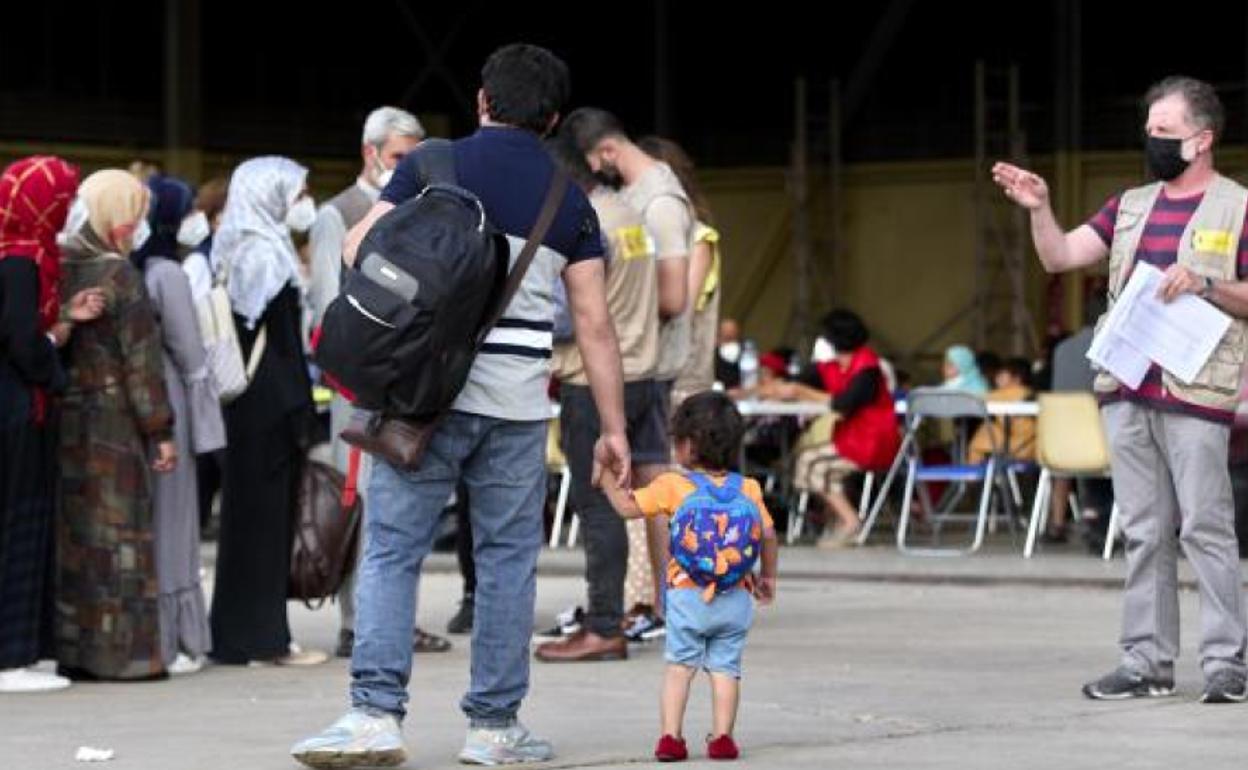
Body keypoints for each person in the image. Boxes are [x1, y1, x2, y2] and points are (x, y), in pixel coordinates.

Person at [292, 43, 630, 769]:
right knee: (507, 562)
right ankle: (494, 729)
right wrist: (612, 428)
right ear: (554, 119)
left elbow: (358, 250)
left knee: (391, 549)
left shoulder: (428, 165)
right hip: (515, 408)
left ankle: (373, 716)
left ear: (482, 100)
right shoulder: (568, 199)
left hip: (422, 398)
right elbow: (596, 326)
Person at [993, 75, 1248, 703]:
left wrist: (1207, 286)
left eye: (1165, 131)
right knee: (1143, 528)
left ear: (1202, 139)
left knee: (1206, 528)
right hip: (1128, 387)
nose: (1152, 140)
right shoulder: (1128, 205)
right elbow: (1060, 256)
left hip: (1195, 390)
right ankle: (1145, 664)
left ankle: (1226, 664)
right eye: (1149, 130)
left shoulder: (1238, 207)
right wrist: (1040, 210)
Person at [305, 105, 450, 659]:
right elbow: (326, 305)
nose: (407, 168)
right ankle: (358, 623)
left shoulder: (424, 210)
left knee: (409, 503)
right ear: (371, 154)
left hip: (411, 380)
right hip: (361, 381)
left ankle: (396, 619)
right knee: (363, 502)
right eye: (398, 158)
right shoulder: (337, 214)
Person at [600, 391, 778, 762]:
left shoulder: (672, 485)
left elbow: (626, 507)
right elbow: (769, 535)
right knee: (726, 668)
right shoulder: (748, 489)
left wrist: (604, 474)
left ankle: (671, 738)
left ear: (686, 446)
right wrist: (768, 578)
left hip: (687, 596)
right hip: (736, 596)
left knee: (680, 667)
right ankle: (723, 739)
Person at [541, 132, 667, 657]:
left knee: (599, 506)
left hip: (594, 381)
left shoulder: (582, 224)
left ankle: (604, 625)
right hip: (646, 373)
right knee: (638, 496)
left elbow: (569, 317)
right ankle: (645, 612)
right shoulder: (629, 215)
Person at [56, 169, 177, 681]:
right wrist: (160, 431)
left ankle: (75, 650)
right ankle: (126, 655)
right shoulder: (118, 274)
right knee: (121, 537)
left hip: (67, 419)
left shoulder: (61, 263)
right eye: (134, 212)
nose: (138, 223)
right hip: (114, 423)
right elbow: (141, 362)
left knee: (76, 539)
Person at [209, 157, 326, 668]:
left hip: (247, 406)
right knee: (265, 522)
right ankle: (264, 639)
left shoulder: (235, 245)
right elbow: (281, 344)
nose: (302, 205)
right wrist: (301, 409)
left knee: (247, 519)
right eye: (296, 194)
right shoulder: (266, 256)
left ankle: (238, 635)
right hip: (270, 405)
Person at [0, 156, 105, 693]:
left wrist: (64, 319)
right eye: (64, 196)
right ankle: (9, 657)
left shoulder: (20, 254)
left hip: (19, 405)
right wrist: (53, 353)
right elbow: (20, 340)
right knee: (19, 523)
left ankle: (24, 651)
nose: (70, 207)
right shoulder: (21, 260)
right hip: (17, 408)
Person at [131, 175, 227, 675]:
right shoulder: (166, 273)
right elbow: (191, 353)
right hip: (170, 399)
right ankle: (179, 636)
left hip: (134, 405)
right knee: (176, 519)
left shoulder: (129, 266)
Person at [762, 310, 902, 548]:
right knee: (813, 465)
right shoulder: (834, 366)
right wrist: (783, 387)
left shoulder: (867, 368)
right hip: (851, 438)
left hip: (873, 441)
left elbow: (844, 403)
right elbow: (801, 380)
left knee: (809, 462)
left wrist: (801, 392)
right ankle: (839, 520)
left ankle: (849, 521)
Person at [637, 136, 721, 406]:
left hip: (683, 383)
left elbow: (681, 305)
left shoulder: (699, 239)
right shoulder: (636, 232)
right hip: (645, 374)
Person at [967, 357, 1036, 464]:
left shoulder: (1006, 394)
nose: (997, 378)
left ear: (1017, 379)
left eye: (1002, 375)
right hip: (1031, 447)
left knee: (984, 433)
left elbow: (975, 399)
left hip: (1015, 447)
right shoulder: (1029, 393)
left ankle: (971, 475)